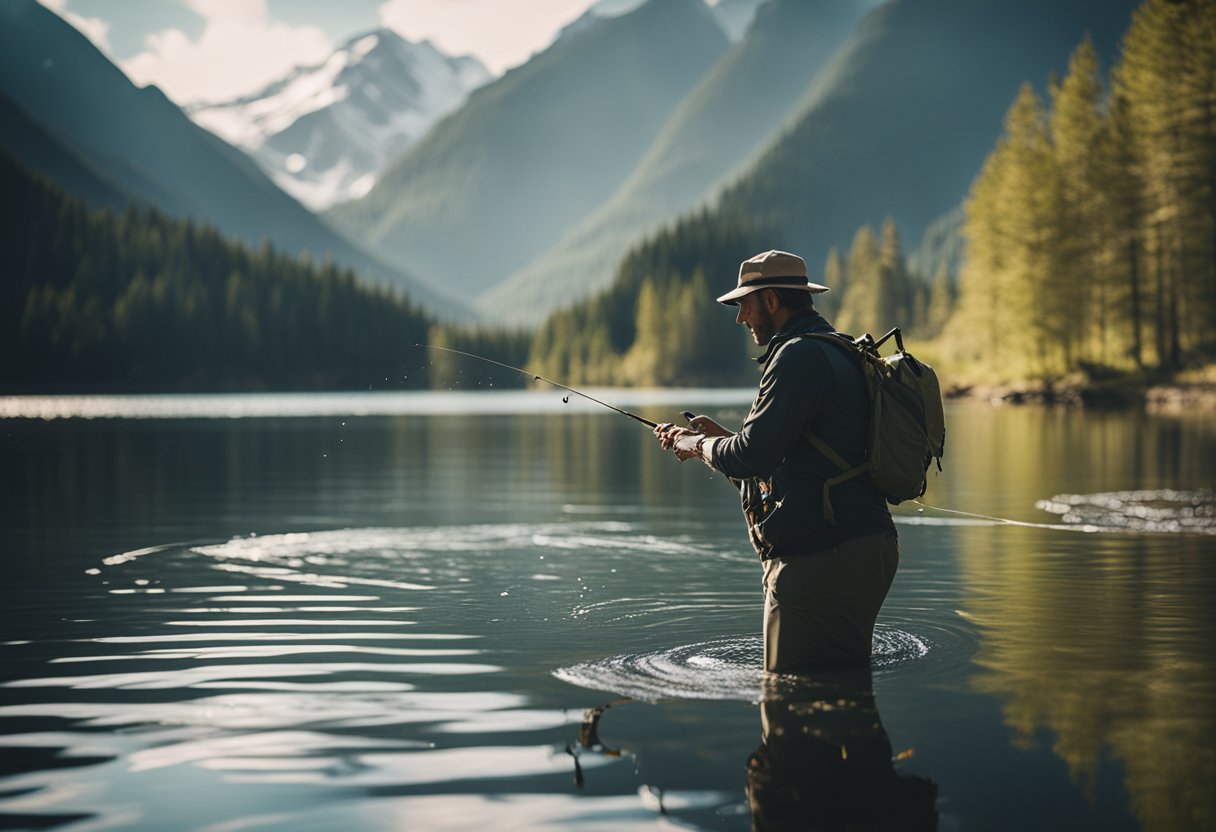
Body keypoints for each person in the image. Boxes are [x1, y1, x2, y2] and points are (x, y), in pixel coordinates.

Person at [654, 249, 898, 672]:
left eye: (744, 304)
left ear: (770, 300)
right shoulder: (837, 350)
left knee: (789, 708)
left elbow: (752, 456)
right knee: (844, 696)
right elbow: (796, 459)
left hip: (821, 557)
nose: (740, 317)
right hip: (865, 548)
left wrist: (695, 445)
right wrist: (723, 441)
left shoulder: (797, 356)